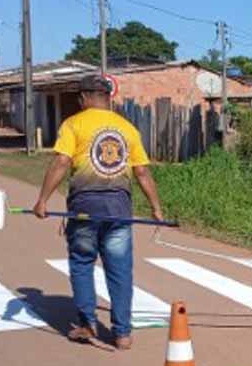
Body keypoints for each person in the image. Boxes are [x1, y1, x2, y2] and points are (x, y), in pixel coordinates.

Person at [33, 74, 164, 350]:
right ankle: (123, 333)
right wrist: (156, 208)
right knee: (120, 270)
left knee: (82, 262)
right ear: (107, 97)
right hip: (119, 210)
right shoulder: (127, 128)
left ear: (83, 97)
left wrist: (42, 201)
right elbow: (141, 171)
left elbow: (62, 162)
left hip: (85, 209)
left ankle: (88, 323)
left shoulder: (73, 124)